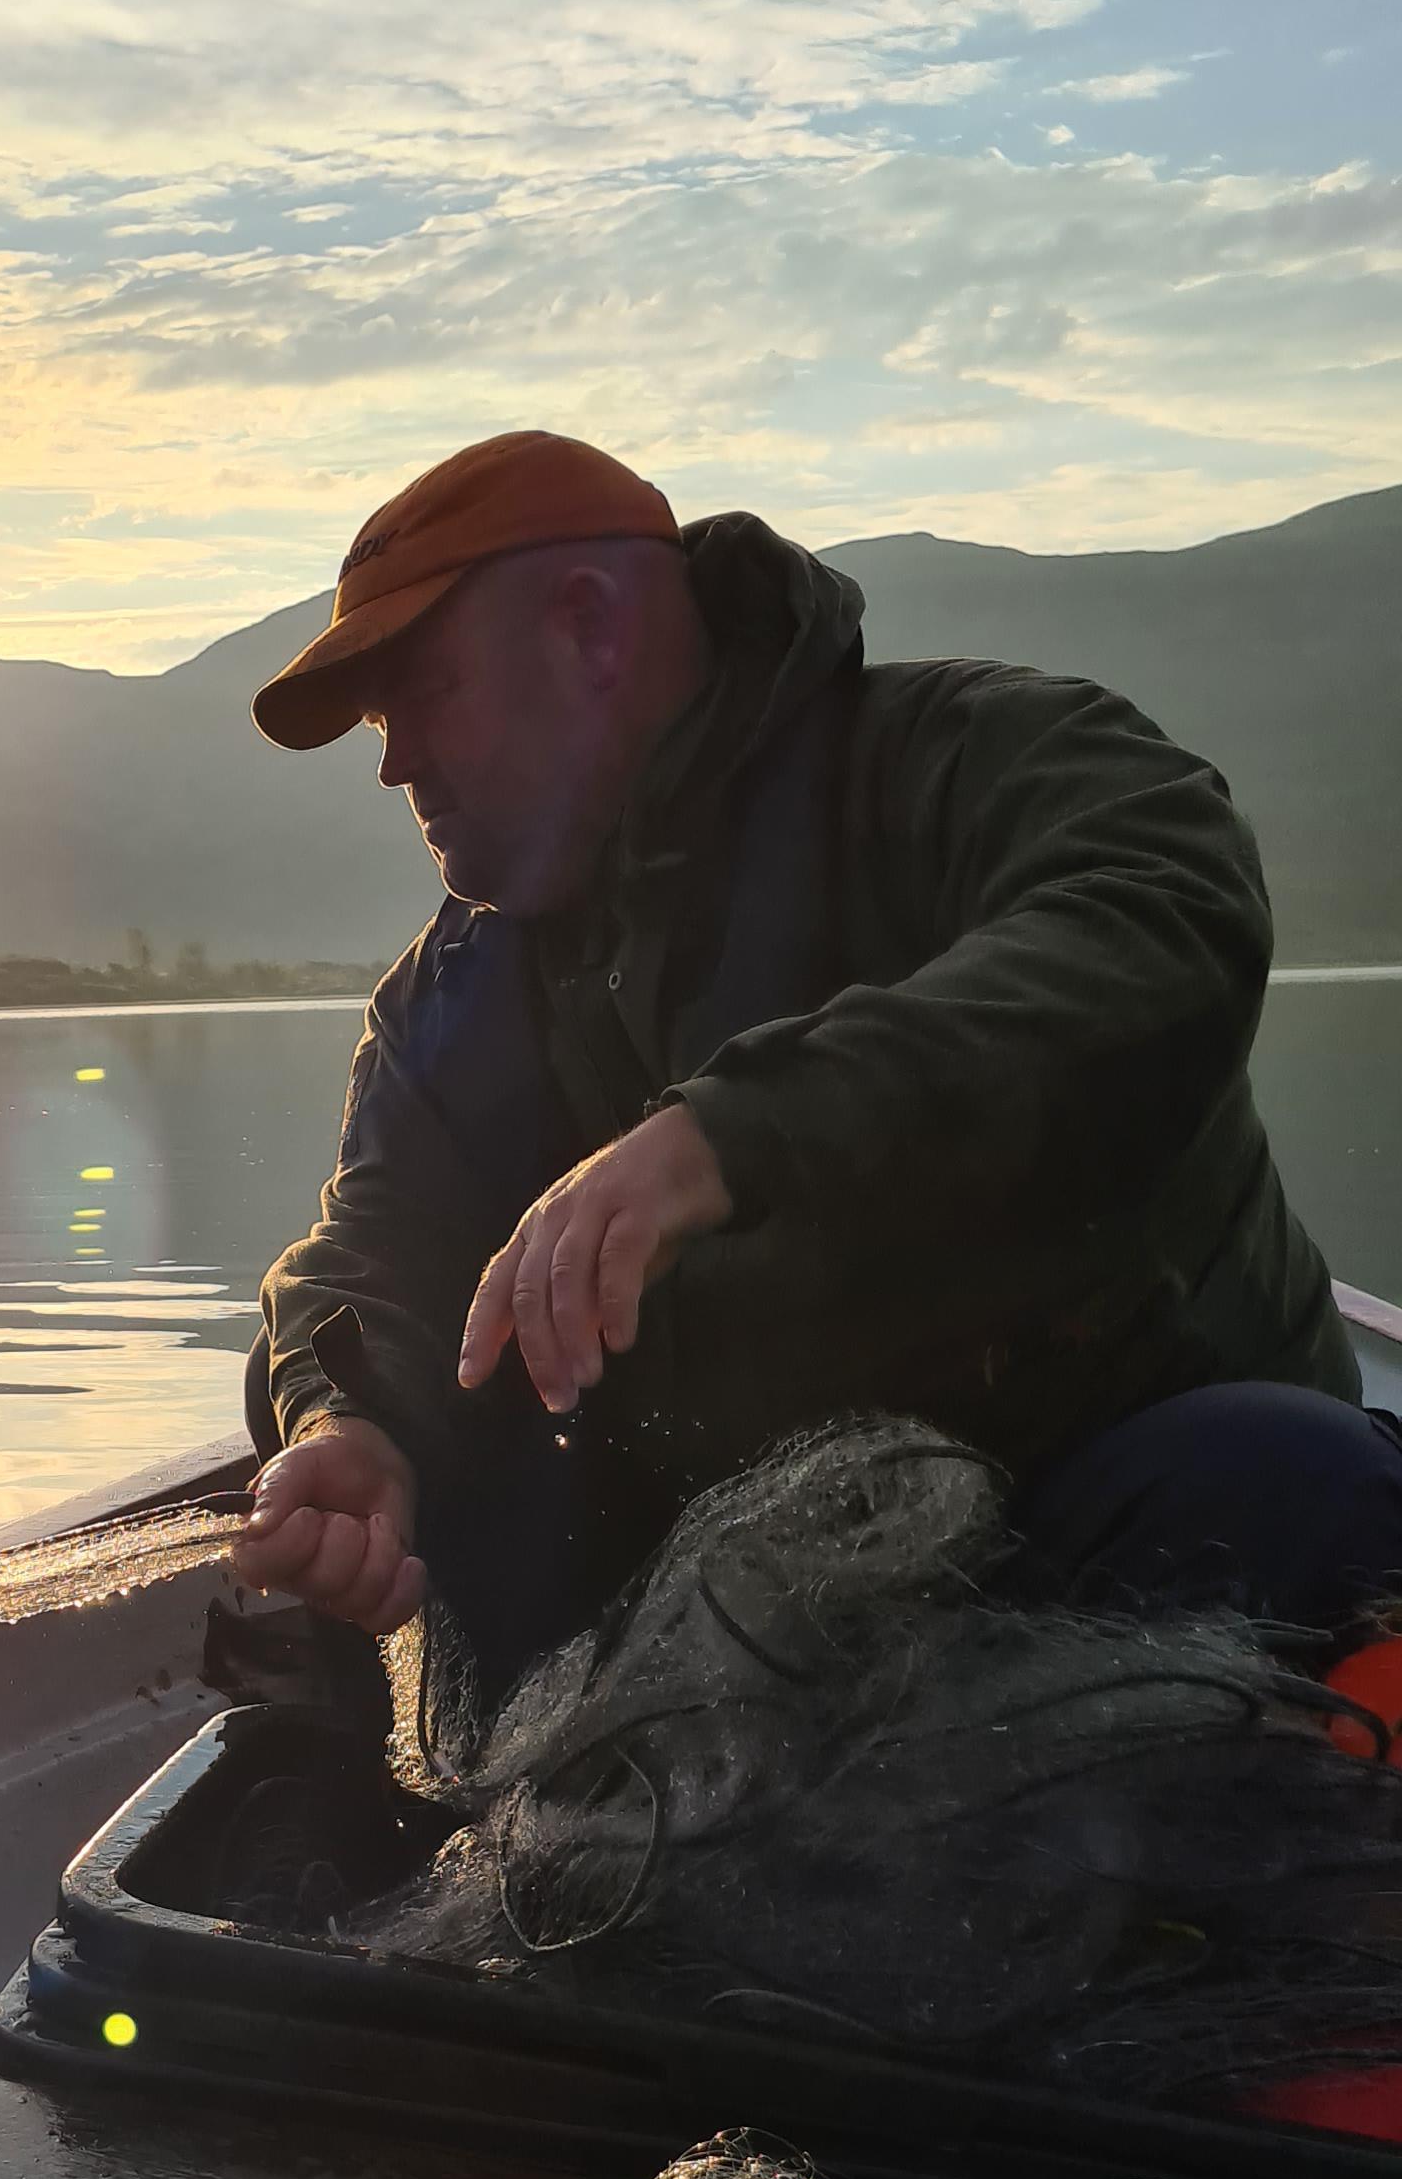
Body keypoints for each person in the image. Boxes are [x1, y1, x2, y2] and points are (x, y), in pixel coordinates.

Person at [229, 429, 1402, 1698]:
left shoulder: (971, 755)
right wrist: (353, 1429)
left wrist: (730, 1138)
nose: (395, 760)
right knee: (400, 1511)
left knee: (1297, 1479)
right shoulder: (448, 998)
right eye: (379, 722)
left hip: (1101, 1493)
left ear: (590, 627)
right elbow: (370, 1250)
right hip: (775, 1588)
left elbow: (1164, 914)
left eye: (427, 692)